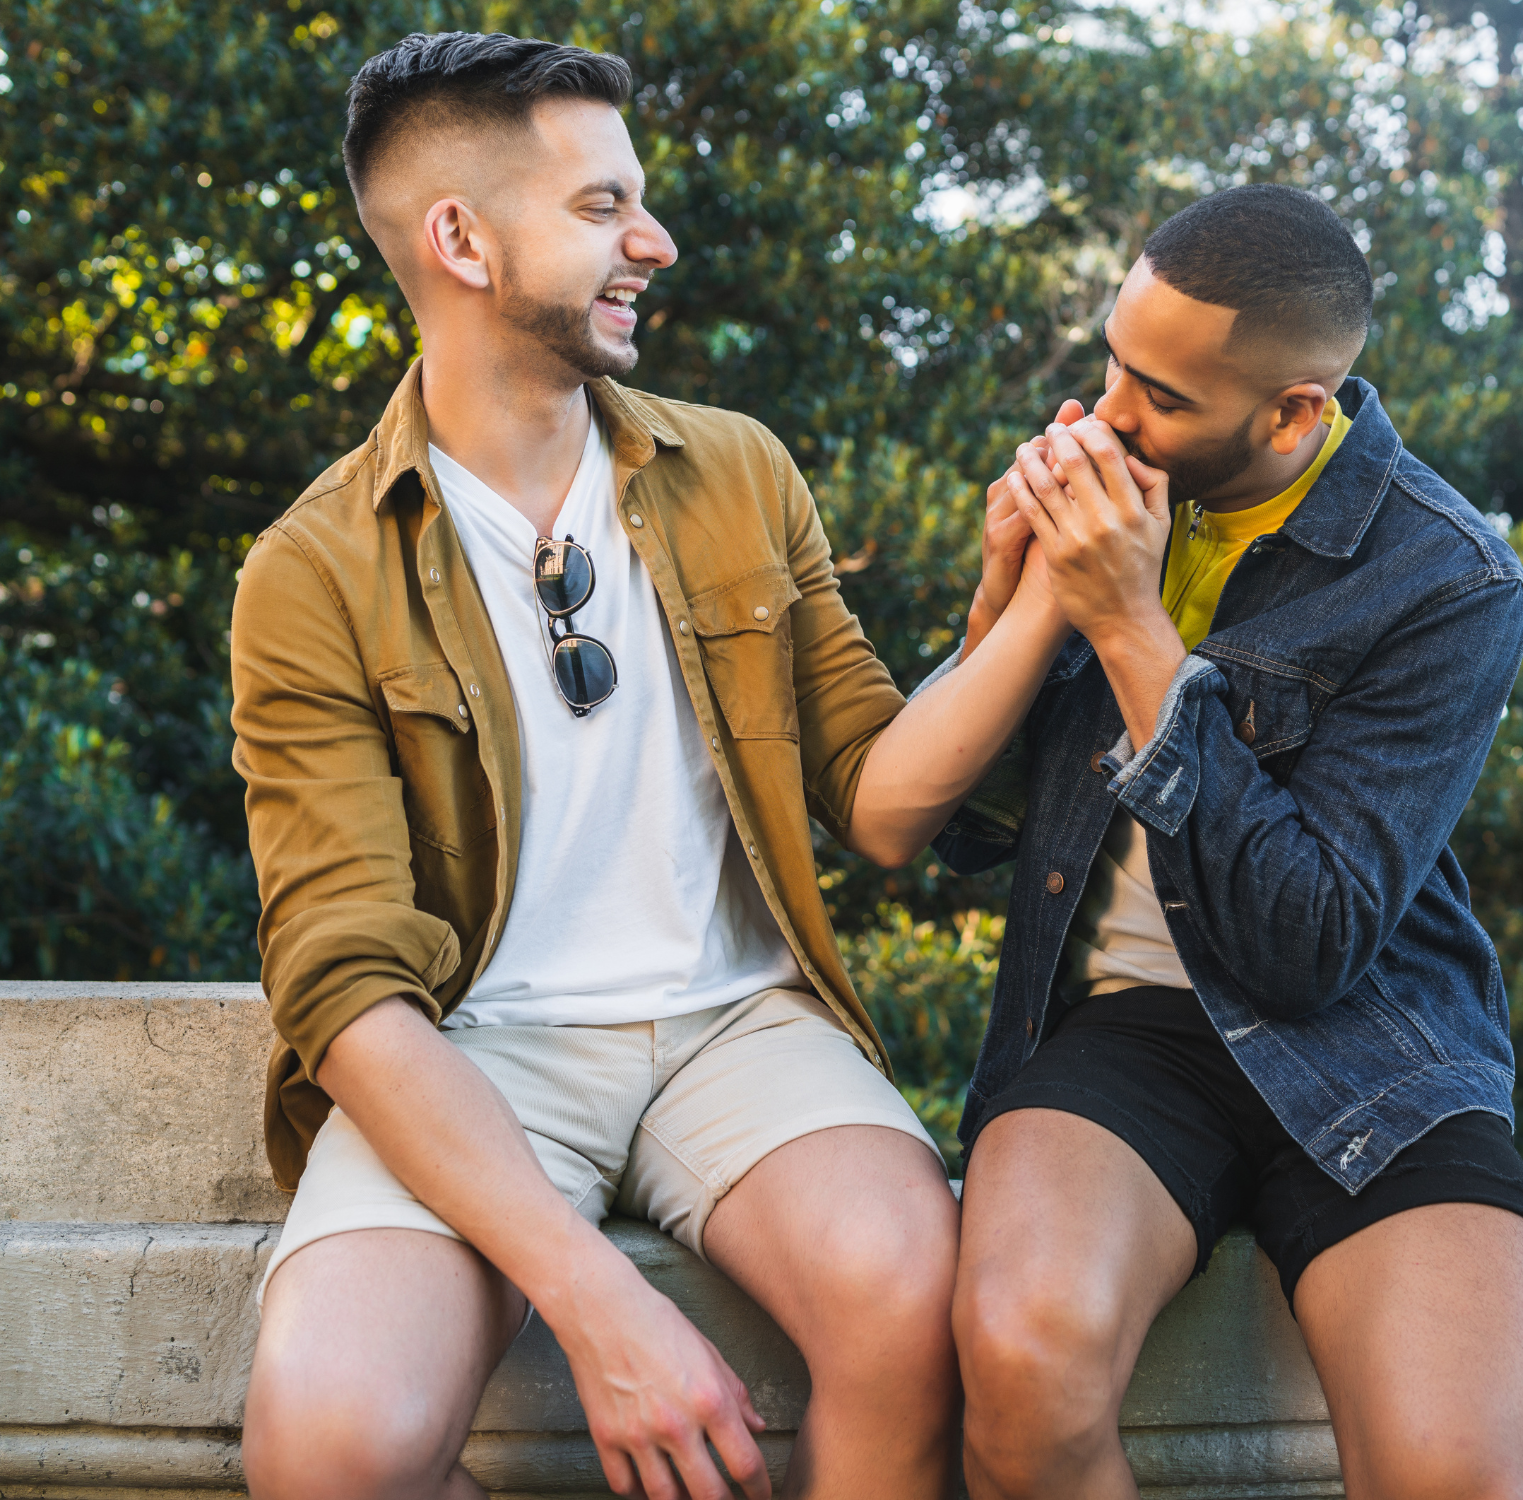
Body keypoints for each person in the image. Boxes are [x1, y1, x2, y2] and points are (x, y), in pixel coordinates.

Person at [232, 32, 1073, 1500]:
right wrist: (597, 1298)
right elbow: (345, 985)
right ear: (462, 241)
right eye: (601, 207)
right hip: (476, 1046)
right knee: (332, 1443)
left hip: (739, 1028)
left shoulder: (739, 470)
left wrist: (1037, 598)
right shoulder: (310, 570)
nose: (651, 242)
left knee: (910, 1306)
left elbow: (878, 800)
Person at [932, 184, 1523, 1500]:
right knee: (1020, 1364)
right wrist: (1006, 604)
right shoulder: (1111, 495)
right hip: (1124, 1033)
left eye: (1159, 394)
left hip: (1377, 1041)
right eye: (1112, 363)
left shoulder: (1450, 581)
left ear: (1293, 412)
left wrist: (1132, 632)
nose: (1109, 416)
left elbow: (1308, 941)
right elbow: (964, 831)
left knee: (1460, 1476)